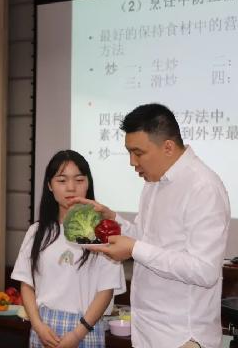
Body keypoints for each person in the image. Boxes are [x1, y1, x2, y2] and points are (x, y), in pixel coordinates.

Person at [80, 103, 230, 348]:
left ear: (168, 147)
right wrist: (113, 220)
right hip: (148, 331)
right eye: (129, 152)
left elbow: (204, 270)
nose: (132, 162)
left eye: (138, 153)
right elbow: (146, 238)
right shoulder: (153, 183)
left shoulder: (203, 187)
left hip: (182, 336)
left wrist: (133, 249)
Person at [11, 150, 126, 348]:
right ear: (50, 185)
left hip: (86, 328)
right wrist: (38, 325)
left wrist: (77, 334)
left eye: (79, 180)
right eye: (62, 180)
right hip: (43, 328)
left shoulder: (103, 231)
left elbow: (106, 290)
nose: (71, 188)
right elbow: (26, 284)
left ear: (88, 183)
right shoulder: (36, 232)